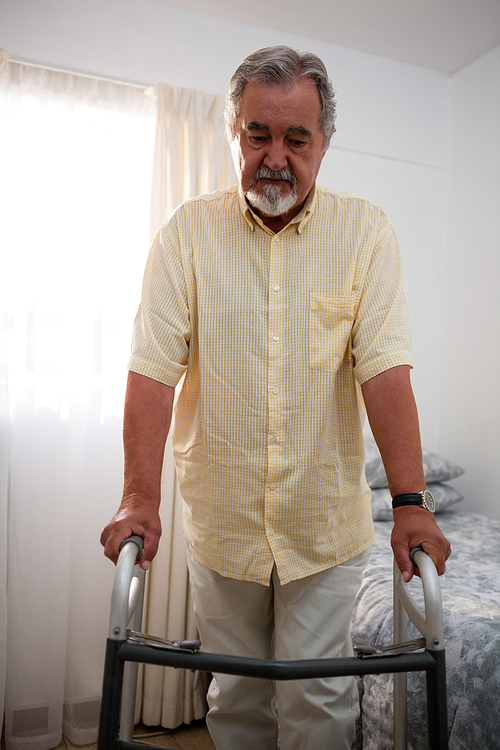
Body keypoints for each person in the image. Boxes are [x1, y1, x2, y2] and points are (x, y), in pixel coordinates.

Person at [101, 45, 451, 750]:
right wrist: (140, 496)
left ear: (323, 144)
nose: (276, 157)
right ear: (235, 133)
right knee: (236, 700)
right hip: (222, 523)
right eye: (258, 134)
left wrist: (411, 503)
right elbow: (151, 372)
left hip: (323, 530)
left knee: (318, 704)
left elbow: (384, 371)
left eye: (297, 138)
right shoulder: (186, 235)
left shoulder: (366, 233)